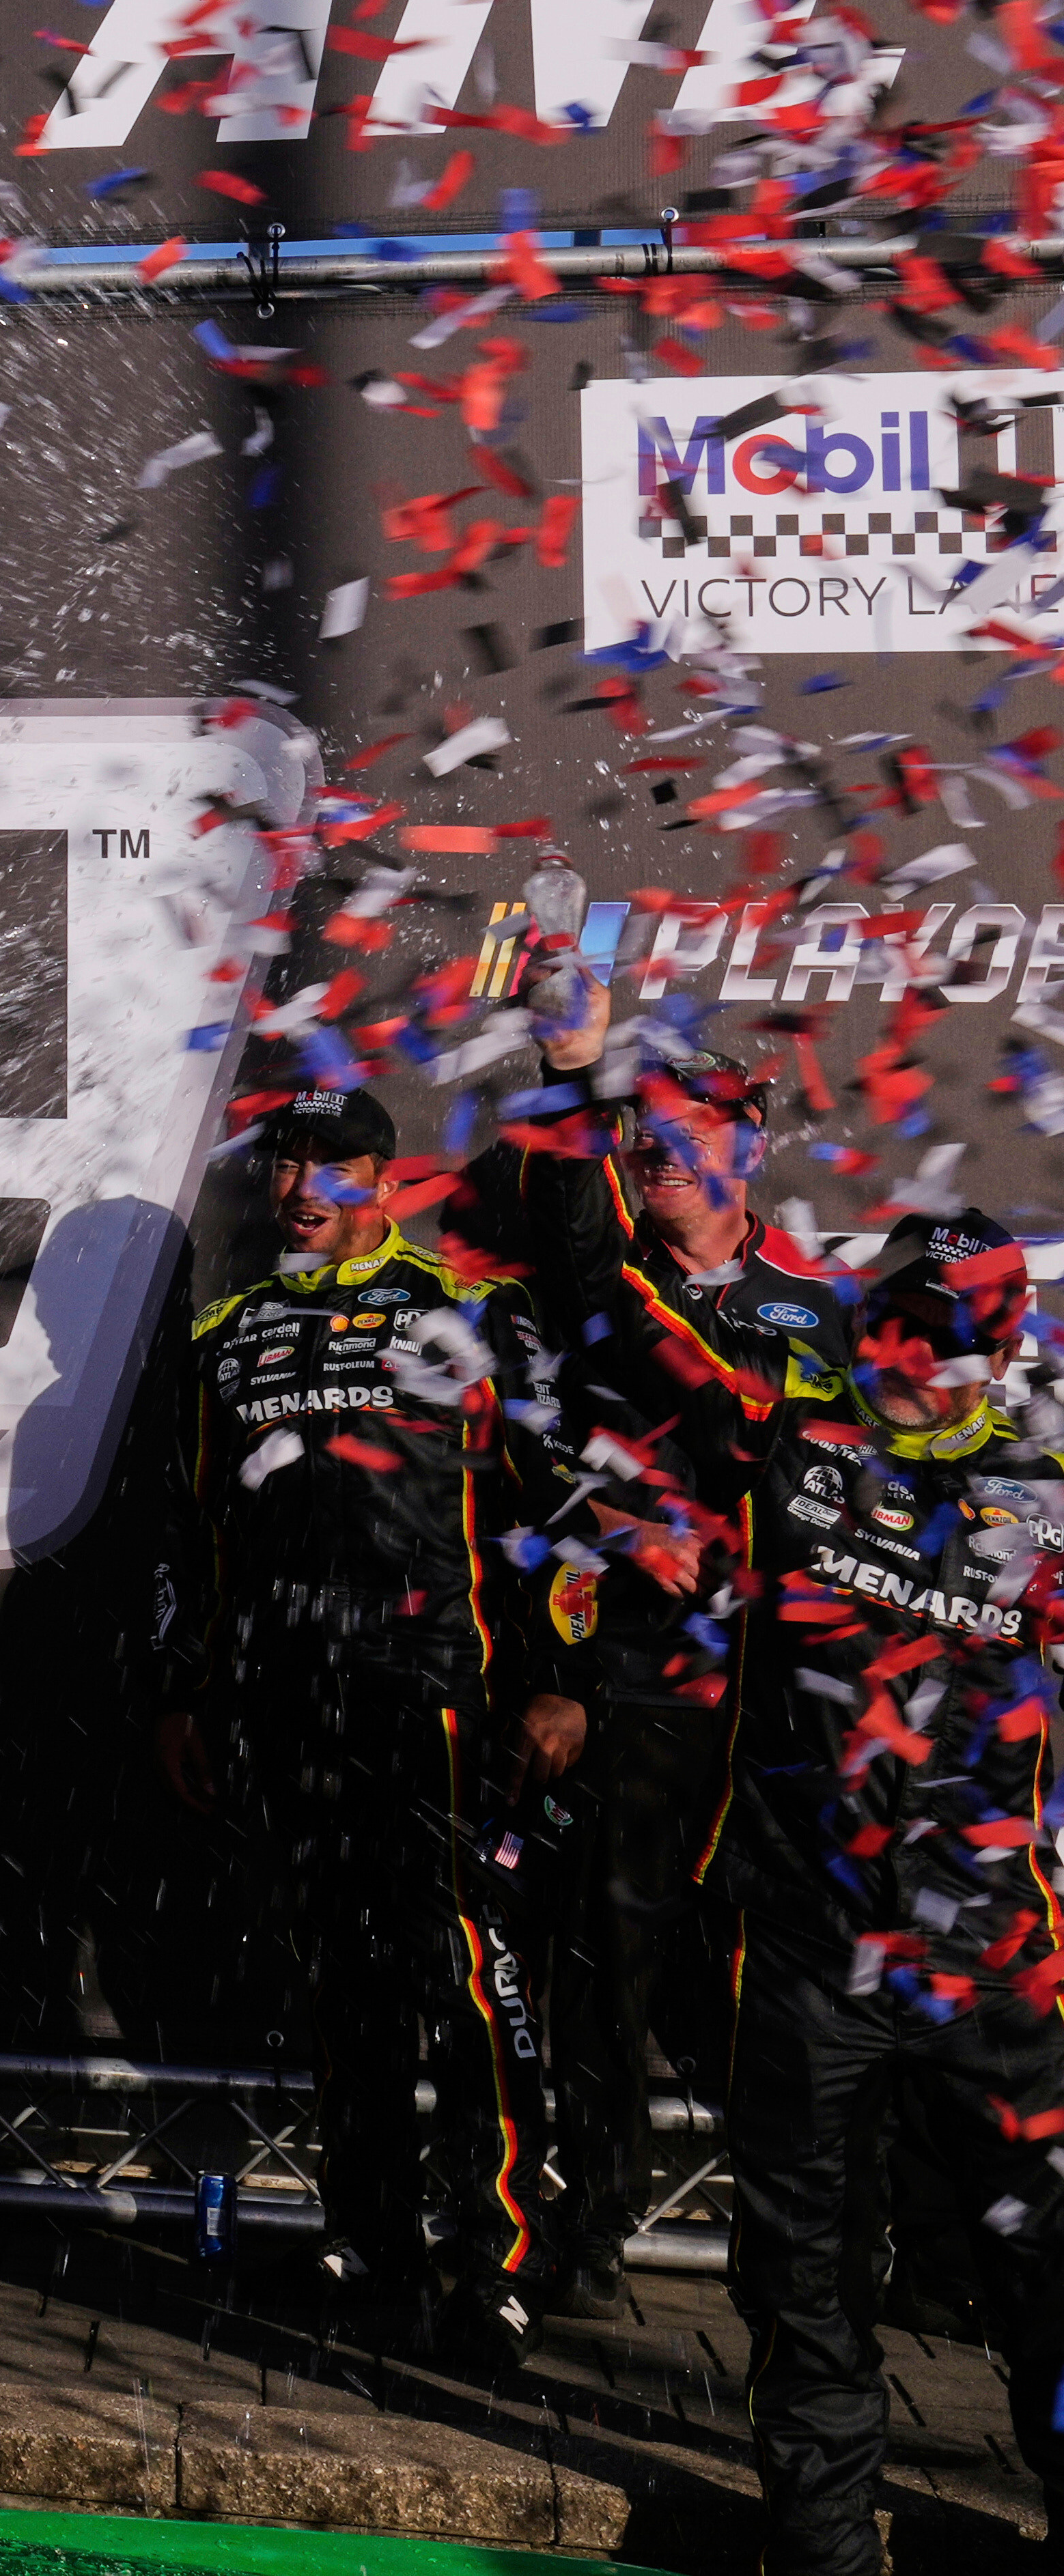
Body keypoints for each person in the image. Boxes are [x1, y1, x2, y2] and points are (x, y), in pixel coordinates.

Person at [150, 1085, 564, 2377]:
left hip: (433, 1683)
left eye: (330, 1165)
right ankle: (369, 2232)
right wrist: (186, 1688)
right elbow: (193, 1529)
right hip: (283, 1689)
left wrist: (559, 1680)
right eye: (285, 1163)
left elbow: (549, 1506)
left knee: (460, 1966)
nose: (300, 1186)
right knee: (341, 1969)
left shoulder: (472, 1312)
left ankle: (495, 2260)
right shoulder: (231, 1328)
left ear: (384, 1177)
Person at [701, 1210, 1064, 2576]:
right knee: (800, 2280)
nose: (959, 1350)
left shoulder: (1038, 1475)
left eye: (988, 1321)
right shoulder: (783, 1442)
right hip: (809, 1945)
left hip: (989, 1954)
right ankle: (818, 2552)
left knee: (1044, 2266)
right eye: (935, 1321)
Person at [488, 980, 841, 2318]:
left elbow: (854, 1496)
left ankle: (817, 2257)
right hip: (627, 1682)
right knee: (603, 1965)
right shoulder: (598, 1283)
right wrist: (573, 1061)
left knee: (773, 1990)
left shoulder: (816, 1305)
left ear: (745, 1145)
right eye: (641, 1133)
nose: (659, 1151)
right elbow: (544, 1477)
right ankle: (585, 2235)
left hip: (769, 1699)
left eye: (688, 1131)